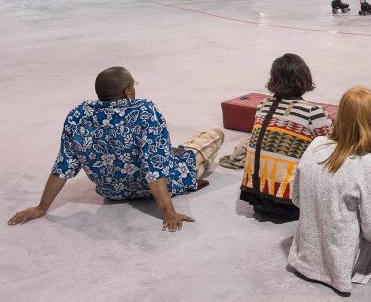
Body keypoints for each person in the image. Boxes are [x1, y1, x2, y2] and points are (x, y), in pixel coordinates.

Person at [7, 67, 224, 232]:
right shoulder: (144, 112)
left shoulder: (79, 115)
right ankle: (185, 157)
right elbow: (154, 168)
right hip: (155, 186)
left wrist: (41, 207)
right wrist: (169, 213)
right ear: (127, 91)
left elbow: (63, 165)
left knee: (171, 149)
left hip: (111, 192)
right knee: (214, 135)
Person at [287, 86, 371, 294]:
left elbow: (296, 198)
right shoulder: (370, 163)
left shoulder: (316, 144)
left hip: (305, 259)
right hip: (346, 264)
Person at [239, 54, 332, 221]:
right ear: (304, 77)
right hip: (289, 204)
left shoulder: (262, 105)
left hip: (255, 199)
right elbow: (332, 149)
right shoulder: (313, 112)